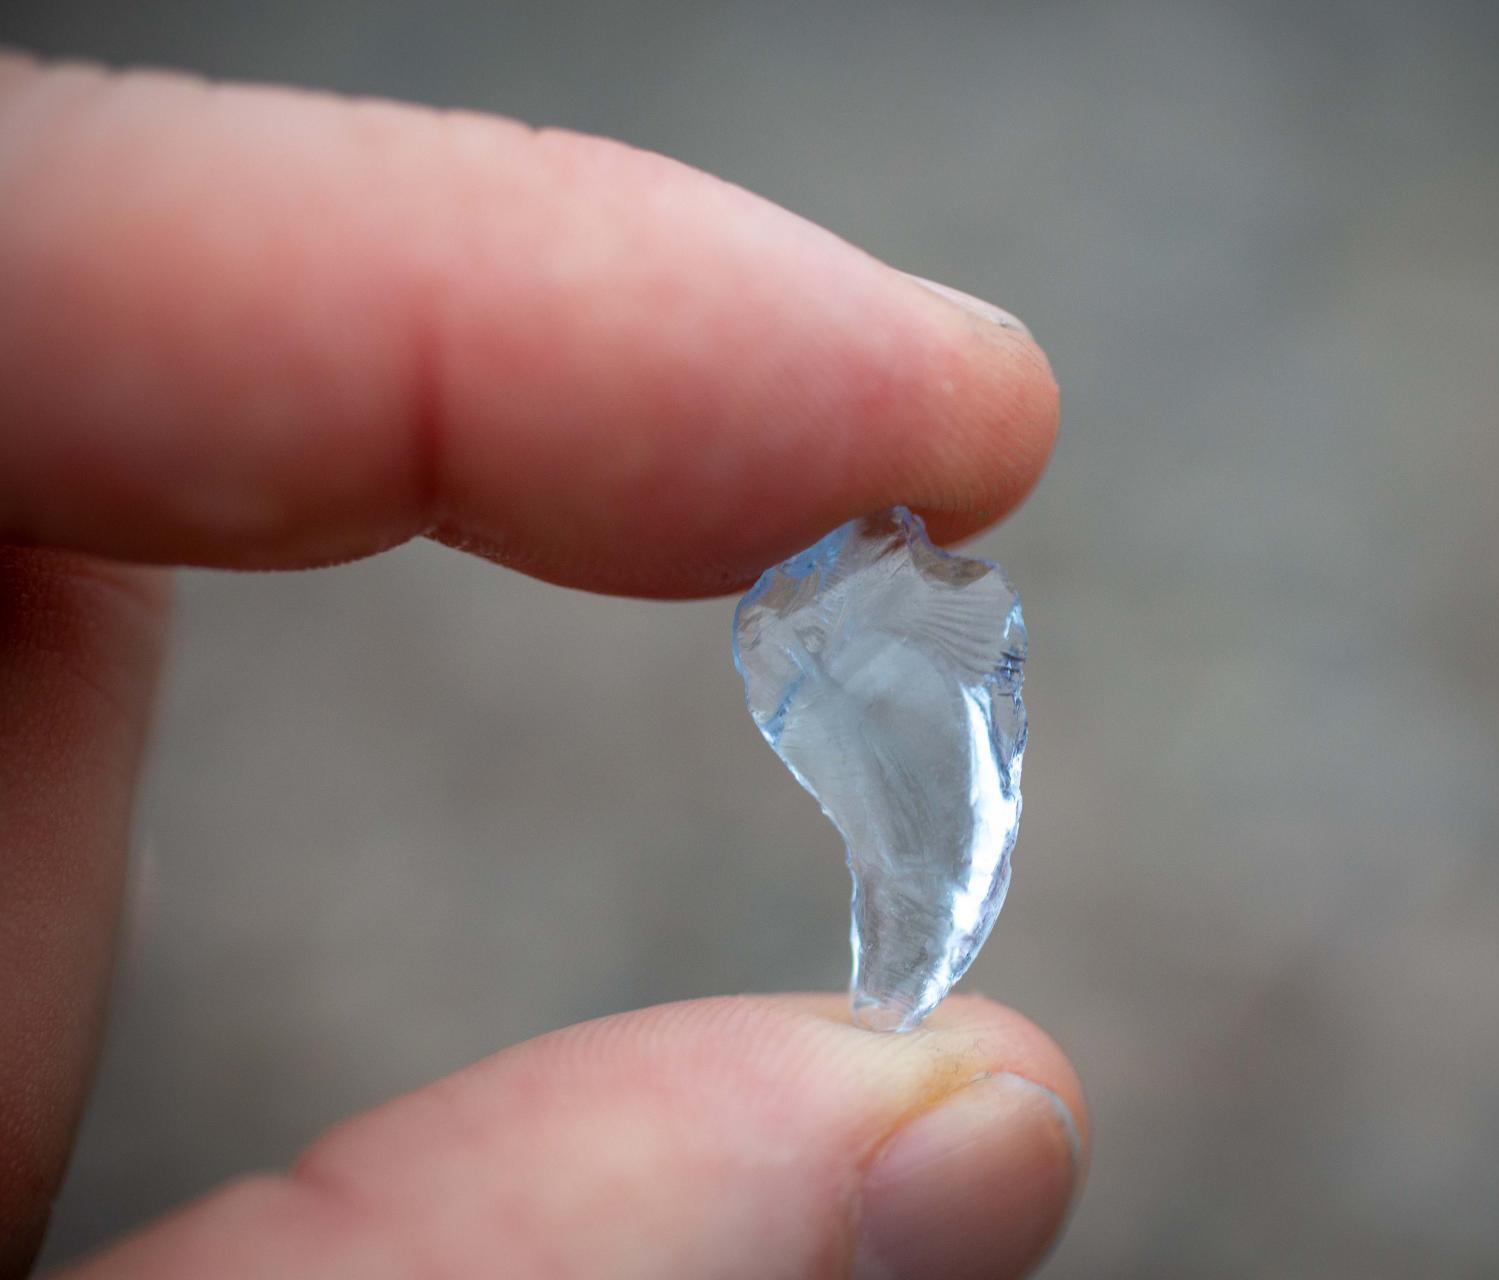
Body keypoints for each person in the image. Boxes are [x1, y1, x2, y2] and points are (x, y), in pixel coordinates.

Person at [0, 50, 1083, 1280]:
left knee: (904, 899)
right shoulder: (838, 624)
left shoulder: (862, 627)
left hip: (862, 659)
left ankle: (895, 974)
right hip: (851, 649)